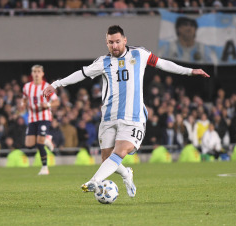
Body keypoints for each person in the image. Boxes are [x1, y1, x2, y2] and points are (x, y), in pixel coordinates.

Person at [43, 25, 209, 197]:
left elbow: (163, 64)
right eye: (110, 43)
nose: (114, 46)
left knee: (120, 151)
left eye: (117, 42)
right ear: (106, 43)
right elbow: (81, 74)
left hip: (133, 117)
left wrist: (190, 71)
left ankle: (95, 180)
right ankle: (126, 174)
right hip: (108, 117)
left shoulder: (139, 54)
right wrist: (56, 84)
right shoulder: (103, 62)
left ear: (124, 40)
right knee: (107, 159)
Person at [22, 65, 59, 175]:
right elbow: (24, 99)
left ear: (42, 74)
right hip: (32, 118)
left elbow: (56, 102)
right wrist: (22, 105)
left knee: (39, 143)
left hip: (44, 117)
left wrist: (47, 104)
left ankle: (44, 168)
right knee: (29, 144)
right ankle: (47, 138)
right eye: (34, 71)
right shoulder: (27, 87)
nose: (36, 74)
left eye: (38, 71)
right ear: (32, 74)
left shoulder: (47, 86)